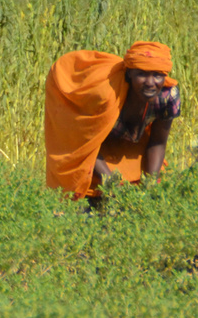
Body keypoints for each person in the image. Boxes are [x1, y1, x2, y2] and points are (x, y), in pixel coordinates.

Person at [44, 40, 180, 199]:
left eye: (157, 75)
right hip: (88, 141)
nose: (150, 83)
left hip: (121, 141)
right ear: (129, 74)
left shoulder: (168, 97)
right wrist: (113, 186)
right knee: (82, 196)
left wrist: (150, 188)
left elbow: (157, 142)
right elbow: (86, 144)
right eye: (141, 74)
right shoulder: (107, 96)